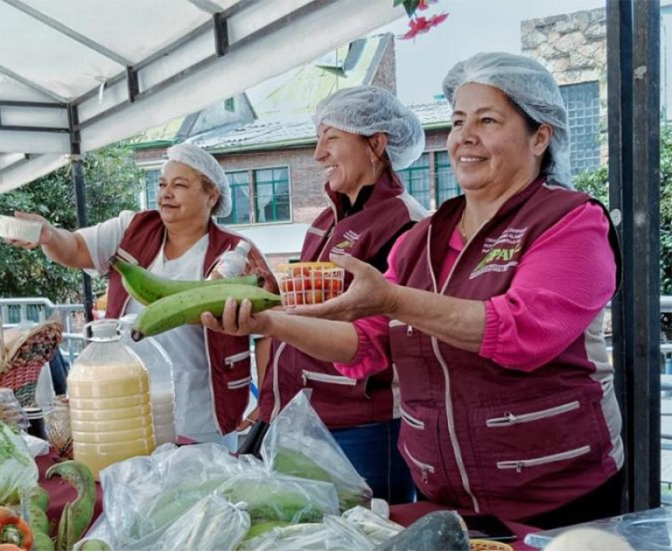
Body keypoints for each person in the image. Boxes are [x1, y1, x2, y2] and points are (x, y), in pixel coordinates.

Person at [203, 52, 622, 528]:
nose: (464, 136)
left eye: (487, 119)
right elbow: (366, 342)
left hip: (556, 500)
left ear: (540, 136)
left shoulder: (570, 220)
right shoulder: (423, 240)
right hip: (443, 498)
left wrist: (394, 299)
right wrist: (269, 322)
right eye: (459, 119)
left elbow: (525, 331)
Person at [7, 142, 278, 449]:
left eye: (180, 185)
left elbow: (269, 332)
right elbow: (75, 248)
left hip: (203, 412)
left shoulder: (238, 253)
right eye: (162, 184)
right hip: (127, 407)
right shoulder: (131, 228)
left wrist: (266, 398)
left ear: (211, 195)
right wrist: (50, 235)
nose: (166, 193)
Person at [244, 86, 427, 504]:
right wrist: (275, 294)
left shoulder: (406, 222)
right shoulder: (325, 221)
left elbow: (381, 334)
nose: (318, 154)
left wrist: (275, 320)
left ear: (376, 144)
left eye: (332, 139)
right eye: (318, 139)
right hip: (300, 414)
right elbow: (316, 308)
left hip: (361, 425)